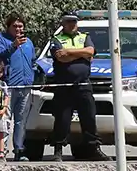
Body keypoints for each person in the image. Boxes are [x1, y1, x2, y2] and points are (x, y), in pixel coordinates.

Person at [39, 11, 105, 162]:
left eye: (74, 21)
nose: (72, 24)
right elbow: (61, 58)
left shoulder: (84, 36)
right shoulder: (56, 39)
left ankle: (94, 148)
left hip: (83, 85)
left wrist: (69, 51)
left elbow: (90, 51)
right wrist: (82, 54)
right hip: (64, 86)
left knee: (89, 118)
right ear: (63, 23)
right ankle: (58, 150)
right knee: (62, 119)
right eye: (68, 21)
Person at [0, 15, 36, 160]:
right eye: (15, 26)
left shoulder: (28, 42)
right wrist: (13, 46)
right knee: (5, 119)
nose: (18, 29)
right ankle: (2, 151)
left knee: (21, 120)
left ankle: (19, 150)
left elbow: (32, 61)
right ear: (8, 27)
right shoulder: (0, 39)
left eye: (20, 26)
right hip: (8, 86)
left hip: (25, 86)